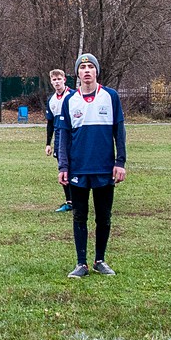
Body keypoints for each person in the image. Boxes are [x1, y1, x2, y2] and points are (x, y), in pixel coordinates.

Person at [56, 53, 126, 279]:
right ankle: (81, 263)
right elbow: (64, 136)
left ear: (97, 71)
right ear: (77, 73)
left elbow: (119, 132)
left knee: (104, 217)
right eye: (82, 67)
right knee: (79, 216)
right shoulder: (69, 100)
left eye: (90, 67)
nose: (87, 71)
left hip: (104, 168)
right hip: (78, 170)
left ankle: (100, 260)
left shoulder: (111, 97)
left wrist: (120, 162)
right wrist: (63, 166)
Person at [43, 68, 74, 212]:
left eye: (59, 79)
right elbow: (50, 123)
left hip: (73, 136)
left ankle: (79, 199)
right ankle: (69, 201)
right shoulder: (51, 100)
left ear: (64, 79)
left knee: (74, 166)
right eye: (54, 80)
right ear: (51, 82)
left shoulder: (73, 96)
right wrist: (48, 143)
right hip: (59, 137)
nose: (56, 82)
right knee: (63, 167)